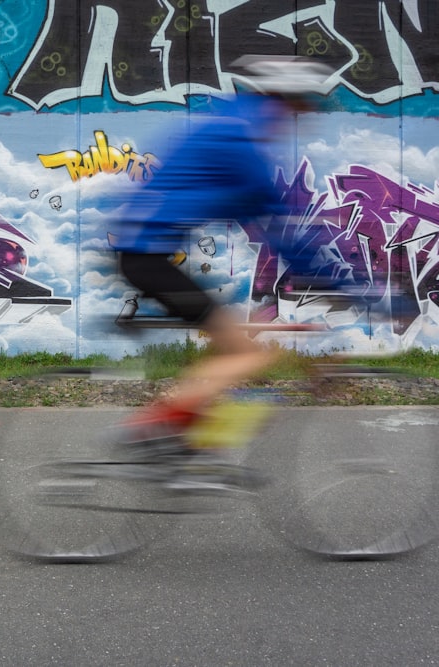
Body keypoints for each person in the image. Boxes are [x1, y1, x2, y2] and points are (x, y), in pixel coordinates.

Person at [108, 56, 333, 456]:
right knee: (245, 354)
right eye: (298, 111)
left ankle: (182, 441)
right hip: (147, 258)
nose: (297, 120)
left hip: (143, 254)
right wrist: (346, 287)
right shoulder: (241, 147)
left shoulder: (225, 128)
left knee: (227, 348)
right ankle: (155, 423)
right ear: (282, 102)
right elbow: (282, 236)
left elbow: (256, 215)